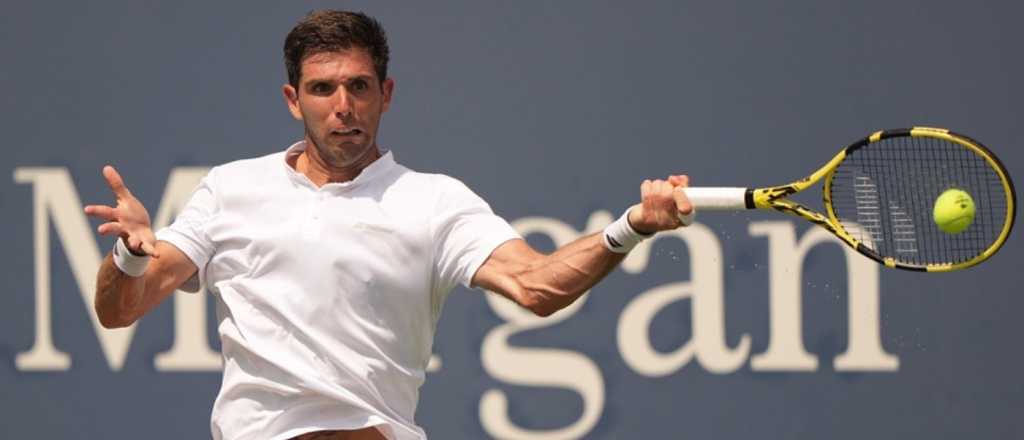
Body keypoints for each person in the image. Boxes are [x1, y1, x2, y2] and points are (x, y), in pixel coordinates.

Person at [84, 10, 693, 440]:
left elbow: (537, 285)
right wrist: (132, 257)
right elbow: (118, 311)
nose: (342, 106)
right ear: (294, 100)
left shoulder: (433, 201)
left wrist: (632, 226)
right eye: (322, 89)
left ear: (386, 94)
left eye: (358, 86)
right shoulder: (230, 188)